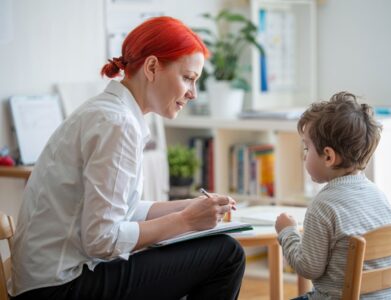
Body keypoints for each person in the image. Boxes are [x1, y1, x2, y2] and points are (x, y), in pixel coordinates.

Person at [9, 16, 245, 300]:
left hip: (46, 282)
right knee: (226, 254)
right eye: (188, 79)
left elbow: (120, 209)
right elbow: (102, 240)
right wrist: (186, 220)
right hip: (59, 288)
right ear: (152, 67)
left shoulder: (109, 113)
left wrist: (188, 208)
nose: (193, 93)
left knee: (214, 251)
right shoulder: (117, 124)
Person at [275, 92, 391, 300]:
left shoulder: (324, 205)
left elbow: (308, 268)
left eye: (307, 148)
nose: (304, 156)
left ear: (329, 156)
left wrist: (287, 232)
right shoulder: (379, 196)